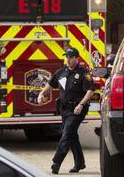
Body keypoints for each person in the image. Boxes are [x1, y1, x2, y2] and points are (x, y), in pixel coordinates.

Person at [38, 47, 95, 175]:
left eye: (71, 57)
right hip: (64, 110)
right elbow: (51, 85)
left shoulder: (84, 73)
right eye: (67, 57)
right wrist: (41, 94)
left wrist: (81, 104)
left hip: (77, 110)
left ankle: (56, 162)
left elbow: (90, 91)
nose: (68, 60)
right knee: (72, 135)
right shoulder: (61, 72)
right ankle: (79, 163)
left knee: (67, 133)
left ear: (76, 58)